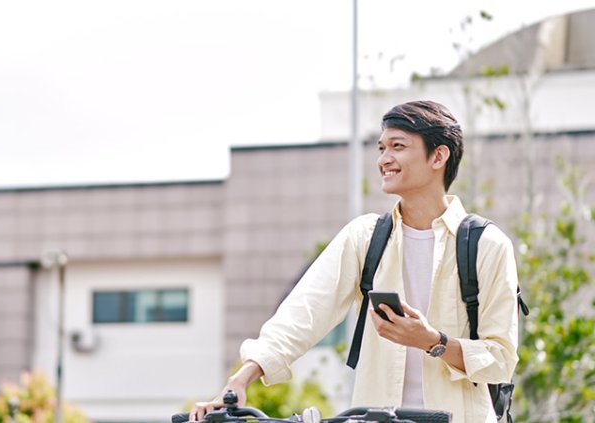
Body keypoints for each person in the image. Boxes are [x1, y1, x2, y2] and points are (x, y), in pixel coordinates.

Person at [190, 101, 519, 423]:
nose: (384, 159)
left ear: (438, 156)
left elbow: (501, 360)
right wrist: (240, 380)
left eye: (397, 146)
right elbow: (304, 312)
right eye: (381, 148)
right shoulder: (365, 237)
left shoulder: (487, 246)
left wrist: (432, 342)